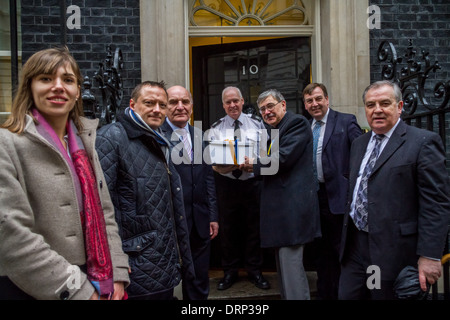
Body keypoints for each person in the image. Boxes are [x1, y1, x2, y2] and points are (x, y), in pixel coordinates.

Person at [0, 47, 130, 300]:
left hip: (94, 276)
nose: (58, 86)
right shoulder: (7, 143)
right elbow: (10, 232)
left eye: (68, 80)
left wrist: (117, 272)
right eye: (46, 79)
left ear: (77, 91)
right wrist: (78, 289)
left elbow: (105, 214)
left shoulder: (85, 142)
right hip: (34, 286)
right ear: (30, 87)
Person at [339, 80, 450, 300]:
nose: (377, 110)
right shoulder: (359, 143)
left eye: (384, 103)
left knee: (380, 295)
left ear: (399, 107)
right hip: (356, 246)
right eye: (371, 105)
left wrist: (430, 255)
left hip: (393, 251)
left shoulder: (422, 142)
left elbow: (436, 203)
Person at [95, 80, 194, 300]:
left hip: (161, 262)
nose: (157, 110)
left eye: (162, 104)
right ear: (132, 104)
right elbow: (100, 208)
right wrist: (114, 265)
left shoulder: (158, 140)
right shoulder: (111, 137)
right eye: (149, 103)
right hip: (134, 266)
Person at [242, 88, 321, 300]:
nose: (266, 112)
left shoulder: (296, 124)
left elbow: (282, 160)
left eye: (270, 106)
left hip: (292, 212)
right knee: (284, 272)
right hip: (281, 214)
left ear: (283, 105)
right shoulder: (275, 130)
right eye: (262, 110)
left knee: (292, 270)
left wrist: (254, 165)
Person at [303, 83, 362, 300]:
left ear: (327, 99)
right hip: (315, 199)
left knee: (342, 252)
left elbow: (360, 154)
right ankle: (325, 293)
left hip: (339, 199)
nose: (314, 104)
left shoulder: (346, 121)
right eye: (309, 101)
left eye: (318, 98)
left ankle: (344, 294)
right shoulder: (307, 127)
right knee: (320, 253)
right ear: (305, 105)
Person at [207, 86, 270, 291]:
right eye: (228, 102)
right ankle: (230, 272)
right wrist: (232, 163)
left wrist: (253, 162)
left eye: (236, 101)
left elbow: (265, 156)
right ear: (223, 105)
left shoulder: (258, 124)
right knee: (228, 231)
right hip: (226, 185)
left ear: (242, 101)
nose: (232, 105)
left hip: (253, 184)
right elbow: (214, 163)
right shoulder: (216, 128)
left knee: (254, 230)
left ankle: (255, 271)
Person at [160, 85, 219, 300]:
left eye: (184, 102)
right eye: (174, 102)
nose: (180, 107)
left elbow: (208, 179)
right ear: (165, 107)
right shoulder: (157, 136)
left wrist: (212, 216)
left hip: (200, 222)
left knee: (199, 281)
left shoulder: (200, 135)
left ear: (191, 107)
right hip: (171, 224)